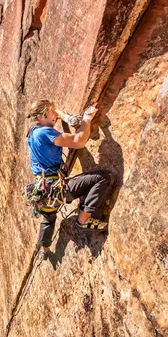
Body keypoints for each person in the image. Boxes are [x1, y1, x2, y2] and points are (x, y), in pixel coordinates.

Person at [26, 100, 112, 258]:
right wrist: (86, 119)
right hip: (56, 188)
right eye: (52, 113)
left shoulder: (33, 131)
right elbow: (78, 141)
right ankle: (83, 220)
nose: (55, 116)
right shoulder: (45, 132)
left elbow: (55, 113)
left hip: (43, 190)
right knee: (103, 178)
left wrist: (66, 117)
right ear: (41, 116)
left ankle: (44, 249)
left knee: (48, 216)